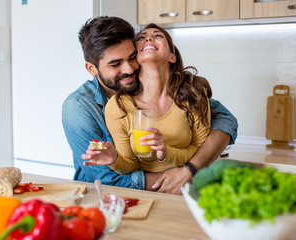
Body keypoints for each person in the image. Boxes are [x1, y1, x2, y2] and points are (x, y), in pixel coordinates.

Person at [62, 16, 238, 194]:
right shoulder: (78, 108)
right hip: (104, 198)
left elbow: (225, 119)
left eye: (132, 58)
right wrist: (182, 177)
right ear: (91, 69)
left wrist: (188, 171)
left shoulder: (178, 91)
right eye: (116, 64)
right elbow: (109, 179)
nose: (129, 69)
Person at [82, 23, 213, 175]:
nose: (149, 38)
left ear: (172, 56)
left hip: (191, 185)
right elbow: (130, 165)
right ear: (134, 57)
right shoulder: (118, 106)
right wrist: (114, 159)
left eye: (157, 35)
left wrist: (166, 153)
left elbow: (202, 151)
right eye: (142, 38)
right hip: (147, 193)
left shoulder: (194, 94)